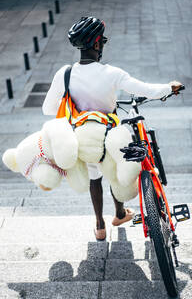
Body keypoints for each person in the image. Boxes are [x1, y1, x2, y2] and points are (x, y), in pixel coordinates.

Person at [42, 16, 182, 241]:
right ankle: (119, 213)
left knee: (94, 177)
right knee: (116, 171)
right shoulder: (112, 73)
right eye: (102, 42)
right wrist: (170, 88)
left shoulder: (65, 74)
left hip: (84, 140)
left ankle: (99, 225)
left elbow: (48, 109)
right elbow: (146, 89)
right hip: (109, 137)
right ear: (97, 44)